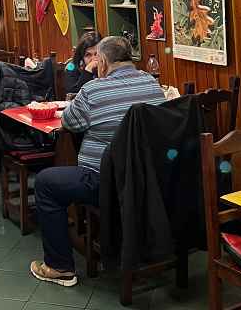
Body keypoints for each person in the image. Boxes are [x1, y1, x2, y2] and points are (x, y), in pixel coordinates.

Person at [30, 36, 166, 287]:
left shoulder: (93, 90)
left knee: (46, 182)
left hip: (105, 181)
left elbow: (70, 123)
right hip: (148, 180)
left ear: (101, 62)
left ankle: (59, 267)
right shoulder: (152, 84)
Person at [63, 31, 101, 95]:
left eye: (97, 54)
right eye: (88, 55)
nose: (94, 59)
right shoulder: (71, 66)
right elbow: (73, 93)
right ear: (81, 56)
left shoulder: (109, 65)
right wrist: (88, 71)